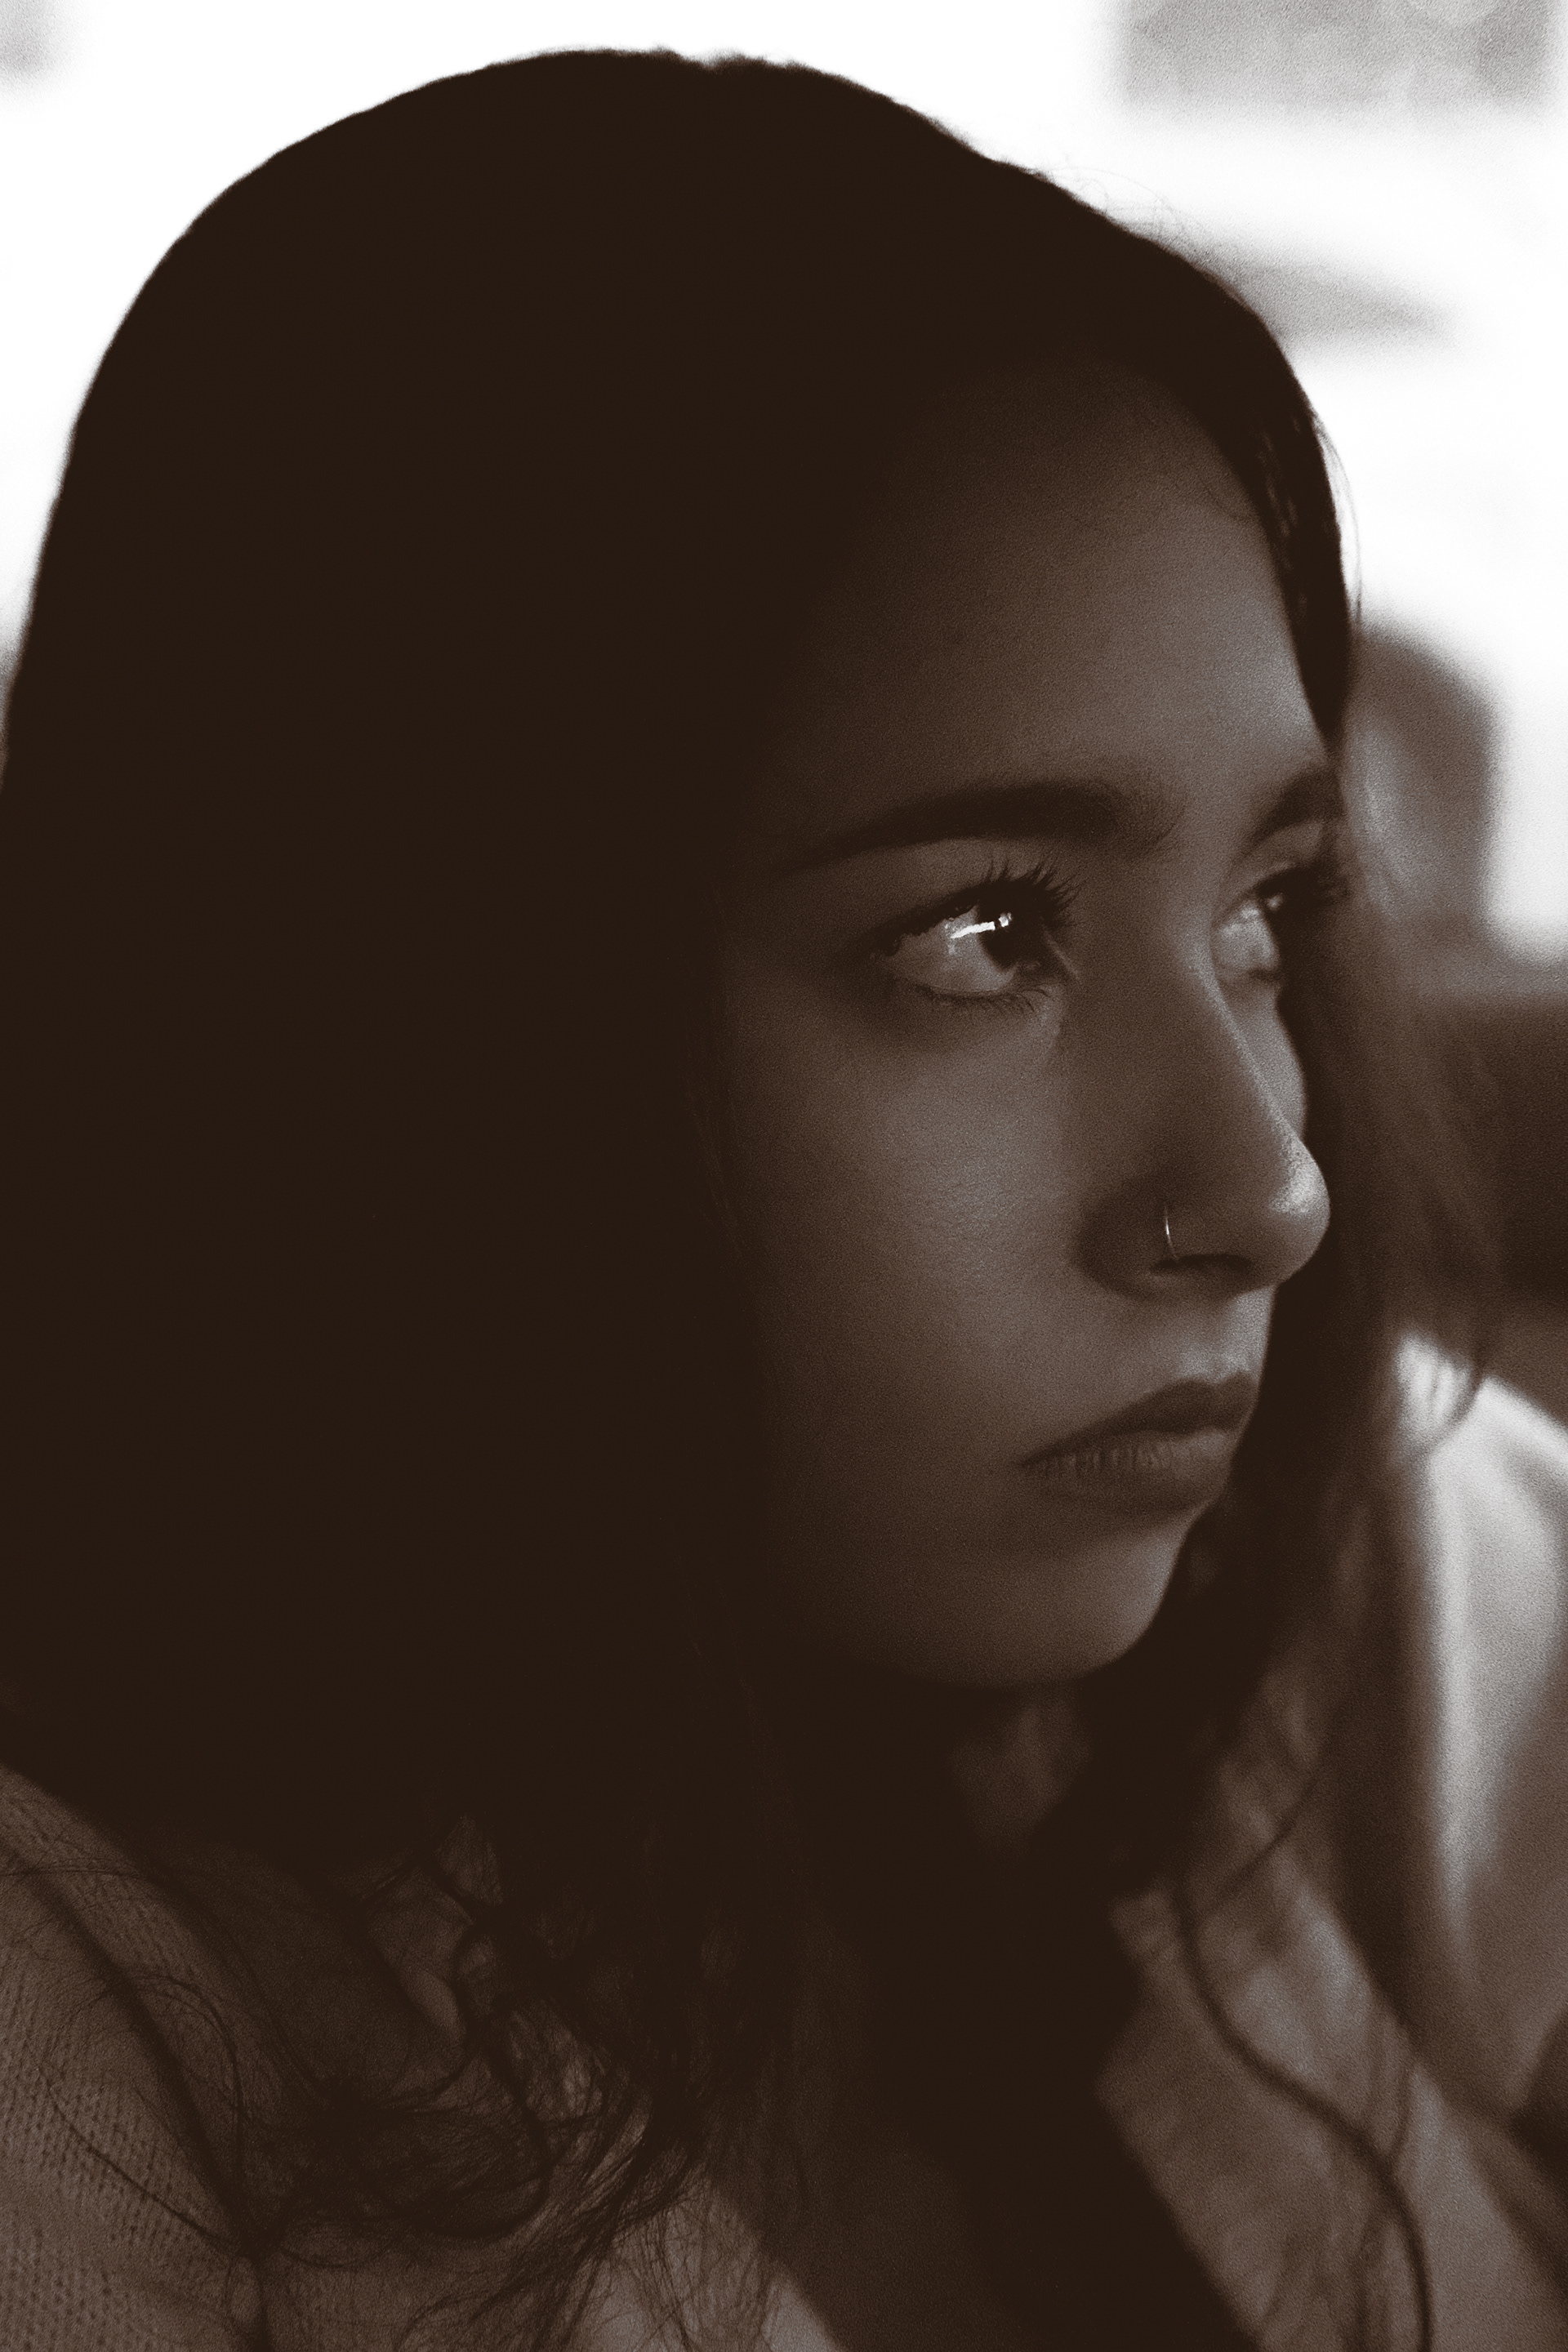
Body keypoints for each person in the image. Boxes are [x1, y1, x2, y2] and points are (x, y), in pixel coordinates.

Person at [0, 47, 1565, 2352]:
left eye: (1268, 909)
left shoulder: (1343, 1569)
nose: (1266, 1191)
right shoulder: (87, 2057)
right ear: (403, 1020)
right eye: (983, 938)